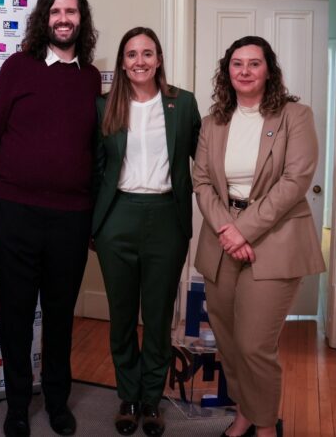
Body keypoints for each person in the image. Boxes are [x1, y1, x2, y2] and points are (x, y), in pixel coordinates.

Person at [0, 0, 101, 437]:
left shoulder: (90, 77)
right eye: (56, 11)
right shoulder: (18, 67)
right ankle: (16, 406)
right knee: (14, 315)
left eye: (71, 11)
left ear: (80, 20)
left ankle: (56, 400)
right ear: (44, 19)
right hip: (14, 211)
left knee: (60, 315)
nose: (63, 18)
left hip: (71, 218)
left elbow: (95, 150)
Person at [193, 35, 324, 437]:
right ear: (226, 71)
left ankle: (266, 425)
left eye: (254, 63)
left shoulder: (294, 116)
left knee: (254, 345)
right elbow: (201, 181)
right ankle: (245, 412)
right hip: (222, 238)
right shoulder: (213, 122)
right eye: (237, 63)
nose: (245, 71)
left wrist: (244, 229)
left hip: (276, 238)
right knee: (229, 342)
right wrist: (227, 230)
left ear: (269, 69)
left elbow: (295, 179)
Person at [92, 27, 201, 437]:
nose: (139, 61)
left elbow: (203, 160)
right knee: (121, 317)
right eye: (132, 54)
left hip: (166, 219)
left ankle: (152, 399)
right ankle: (128, 396)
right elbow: (96, 168)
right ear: (122, 62)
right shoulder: (104, 106)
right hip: (117, 218)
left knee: (156, 317)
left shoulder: (182, 103)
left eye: (147, 53)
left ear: (158, 59)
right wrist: (96, 224)